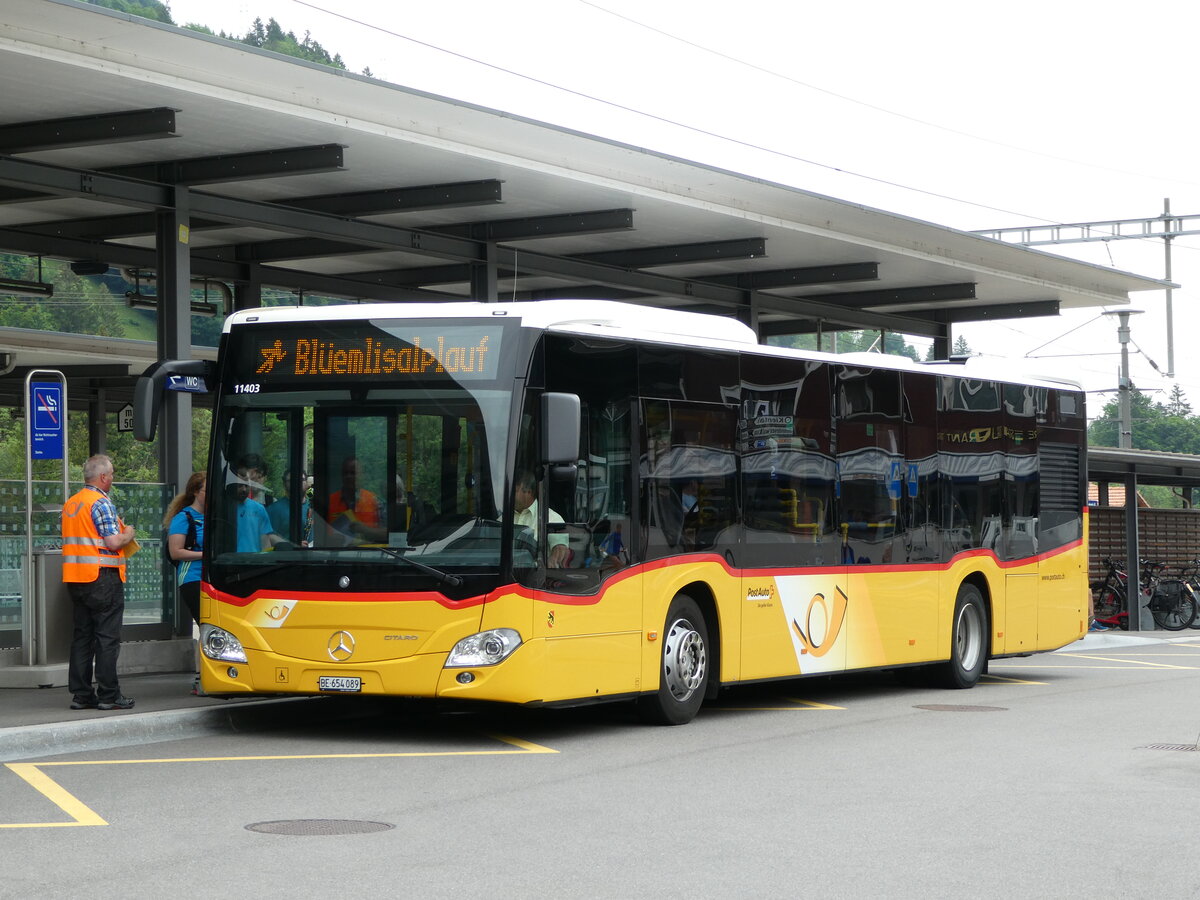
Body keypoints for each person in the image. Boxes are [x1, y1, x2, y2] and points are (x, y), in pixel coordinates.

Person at [61, 454, 137, 711]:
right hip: (102, 578)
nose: (113, 478)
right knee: (107, 638)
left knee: (82, 637)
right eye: (112, 474)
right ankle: (109, 695)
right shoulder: (101, 502)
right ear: (103, 477)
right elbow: (113, 542)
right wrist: (128, 533)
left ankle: (82, 695)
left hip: (76, 578)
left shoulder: (72, 503)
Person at [164, 471, 205, 626]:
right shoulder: (183, 517)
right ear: (195, 491)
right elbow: (175, 552)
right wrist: (204, 555)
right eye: (206, 491)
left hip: (213, 577)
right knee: (205, 621)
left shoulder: (215, 516)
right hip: (193, 576)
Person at [512, 469, 569, 567]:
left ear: (528, 492)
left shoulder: (552, 518)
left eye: (515, 491)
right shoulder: (502, 519)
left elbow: (560, 548)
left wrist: (553, 558)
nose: (510, 495)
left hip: (535, 574)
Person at [234, 455, 282, 551]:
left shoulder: (270, 503)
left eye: (259, 477)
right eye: (252, 477)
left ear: (265, 478)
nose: (255, 481)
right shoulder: (231, 505)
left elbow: (268, 536)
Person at [327, 456, 381, 540]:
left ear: (362, 475)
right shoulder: (330, 501)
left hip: (369, 548)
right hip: (336, 547)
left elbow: (387, 532)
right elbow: (320, 531)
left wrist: (366, 530)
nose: (348, 476)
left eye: (353, 473)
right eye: (345, 473)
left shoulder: (373, 500)